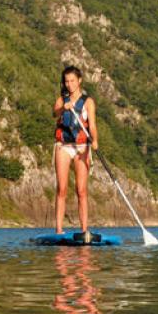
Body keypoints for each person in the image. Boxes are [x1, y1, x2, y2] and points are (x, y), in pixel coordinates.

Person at [52, 65, 98, 239]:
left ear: (79, 81)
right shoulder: (61, 100)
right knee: (62, 189)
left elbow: (92, 125)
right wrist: (64, 107)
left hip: (82, 147)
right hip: (63, 146)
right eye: (66, 81)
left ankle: (84, 229)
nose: (69, 84)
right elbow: (54, 113)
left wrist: (95, 141)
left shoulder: (88, 102)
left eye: (72, 81)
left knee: (81, 190)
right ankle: (58, 230)